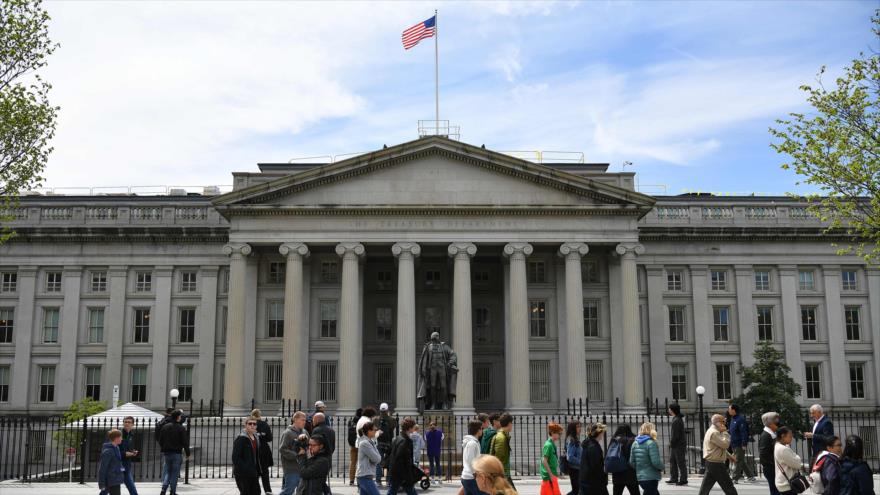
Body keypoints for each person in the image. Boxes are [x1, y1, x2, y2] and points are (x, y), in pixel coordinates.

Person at [697, 414, 737, 495]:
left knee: (705, 487)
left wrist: (729, 456)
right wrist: (725, 432)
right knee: (728, 486)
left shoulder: (714, 431)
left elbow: (719, 448)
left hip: (712, 462)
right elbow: (725, 444)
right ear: (718, 422)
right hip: (716, 464)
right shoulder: (714, 432)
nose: (725, 423)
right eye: (723, 422)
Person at [158, 410, 190, 495]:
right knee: (175, 473)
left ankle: (164, 488)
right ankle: (172, 491)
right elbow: (185, 442)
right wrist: (188, 453)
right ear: (178, 417)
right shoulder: (181, 428)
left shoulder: (165, 427)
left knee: (168, 471)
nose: (181, 417)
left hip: (167, 453)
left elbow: (160, 440)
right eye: (180, 416)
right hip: (177, 453)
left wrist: (164, 448)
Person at [387, 418, 420, 495]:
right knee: (408, 491)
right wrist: (406, 475)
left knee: (393, 490)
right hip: (402, 474)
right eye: (413, 427)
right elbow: (400, 459)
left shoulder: (398, 438)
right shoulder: (404, 441)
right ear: (409, 428)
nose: (414, 429)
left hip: (397, 473)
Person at [630, 422, 664, 495]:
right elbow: (656, 462)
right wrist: (662, 467)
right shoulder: (651, 443)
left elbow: (631, 462)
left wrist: (639, 468)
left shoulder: (635, 443)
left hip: (640, 477)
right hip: (651, 477)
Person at [279, 411, 309, 495]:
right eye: (302, 420)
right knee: (288, 491)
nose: (304, 422)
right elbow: (282, 449)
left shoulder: (305, 432)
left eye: (305, 420)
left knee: (302, 491)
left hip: (303, 468)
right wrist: (297, 454)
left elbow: (309, 446)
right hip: (291, 468)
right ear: (295, 419)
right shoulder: (287, 433)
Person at [232, 418, 263, 495]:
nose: (252, 425)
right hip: (243, 473)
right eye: (250, 424)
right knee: (246, 492)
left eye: (254, 424)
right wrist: (246, 468)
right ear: (245, 425)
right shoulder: (241, 439)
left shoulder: (256, 438)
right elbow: (235, 457)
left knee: (257, 492)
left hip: (253, 472)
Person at [728, 404, 757, 483]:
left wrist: (744, 443)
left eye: (729, 409)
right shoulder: (732, 419)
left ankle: (734, 478)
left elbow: (744, 432)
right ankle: (751, 476)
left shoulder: (740, 419)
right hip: (733, 443)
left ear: (734, 410)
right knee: (741, 460)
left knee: (737, 460)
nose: (728, 410)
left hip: (739, 444)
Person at [579, 422, 608, 495]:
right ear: (599, 433)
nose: (603, 434)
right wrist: (603, 479)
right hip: (594, 482)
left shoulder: (588, 443)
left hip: (586, 480)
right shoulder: (594, 447)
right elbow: (596, 466)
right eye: (602, 432)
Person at [610, 425, 639, 495]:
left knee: (617, 492)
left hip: (618, 472)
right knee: (635, 492)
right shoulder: (633, 440)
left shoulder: (615, 440)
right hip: (631, 473)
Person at [251, 409, 275, 494]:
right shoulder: (264, 424)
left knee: (254, 473)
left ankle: (255, 491)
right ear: (260, 415)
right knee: (265, 473)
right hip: (264, 450)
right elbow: (269, 438)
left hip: (253, 450)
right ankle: (268, 491)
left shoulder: (250, 424)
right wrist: (262, 435)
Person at [774, 427, 803, 495]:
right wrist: (797, 457)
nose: (791, 438)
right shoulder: (783, 449)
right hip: (787, 484)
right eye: (790, 436)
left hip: (784, 482)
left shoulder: (779, 446)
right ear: (783, 436)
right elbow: (798, 464)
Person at [357, 422, 383, 495]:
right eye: (374, 430)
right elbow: (377, 459)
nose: (376, 431)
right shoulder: (365, 443)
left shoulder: (370, 441)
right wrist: (376, 459)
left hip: (365, 476)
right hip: (365, 477)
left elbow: (377, 458)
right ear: (369, 431)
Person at [490, 413, 515, 489]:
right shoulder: (501, 438)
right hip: (502, 474)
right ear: (509, 423)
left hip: (503, 474)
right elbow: (498, 458)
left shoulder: (502, 435)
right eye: (512, 423)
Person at [759, 412, 781, 495]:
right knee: (775, 491)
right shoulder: (766, 435)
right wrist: (774, 463)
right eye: (776, 422)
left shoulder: (772, 434)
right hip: (770, 468)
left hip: (773, 466)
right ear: (770, 423)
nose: (778, 424)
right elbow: (764, 454)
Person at [376, 403, 397, 486]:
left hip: (379, 442)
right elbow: (394, 427)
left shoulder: (376, 419)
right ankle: (389, 480)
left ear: (380, 410)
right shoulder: (392, 419)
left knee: (378, 462)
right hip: (389, 442)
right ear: (387, 410)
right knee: (389, 462)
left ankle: (378, 480)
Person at [99, 429, 125, 495]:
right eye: (121, 437)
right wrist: (102, 484)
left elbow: (117, 462)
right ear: (116, 438)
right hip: (111, 480)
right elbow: (103, 468)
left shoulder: (117, 448)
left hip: (116, 478)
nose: (122, 439)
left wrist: (121, 469)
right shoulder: (108, 451)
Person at [461, 420, 484, 495]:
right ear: (478, 430)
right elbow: (470, 460)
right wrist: (475, 474)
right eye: (481, 428)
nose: (482, 431)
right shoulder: (472, 443)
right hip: (471, 478)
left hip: (468, 477)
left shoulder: (474, 442)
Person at [666, 404, 687, 486]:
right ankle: (674, 478)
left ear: (672, 410)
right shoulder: (676, 419)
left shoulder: (677, 420)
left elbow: (676, 435)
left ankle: (683, 479)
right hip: (676, 445)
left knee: (680, 462)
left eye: (669, 409)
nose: (668, 410)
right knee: (673, 461)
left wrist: (672, 443)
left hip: (678, 445)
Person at [541, 422, 563, 491]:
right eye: (559, 434)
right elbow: (544, 461)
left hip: (552, 475)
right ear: (553, 433)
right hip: (549, 477)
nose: (560, 436)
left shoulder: (552, 444)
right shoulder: (548, 445)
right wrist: (551, 475)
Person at [120, 416, 140, 495]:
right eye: (125, 422)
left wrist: (133, 452)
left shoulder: (131, 435)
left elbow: (129, 448)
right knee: (109, 487)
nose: (127, 423)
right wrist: (125, 453)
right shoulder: (119, 434)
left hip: (126, 465)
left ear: (133, 425)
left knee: (131, 487)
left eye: (129, 422)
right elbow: (113, 451)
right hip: (117, 465)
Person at [564, 421, 582, 495]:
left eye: (580, 426)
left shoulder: (575, 439)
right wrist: (581, 462)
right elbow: (570, 457)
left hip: (577, 469)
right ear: (573, 428)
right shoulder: (572, 440)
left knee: (577, 490)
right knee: (576, 491)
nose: (580, 428)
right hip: (574, 469)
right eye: (577, 427)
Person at [349, 408, 364, 486]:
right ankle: (359, 480)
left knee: (352, 462)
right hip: (360, 444)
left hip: (352, 444)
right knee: (360, 462)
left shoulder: (351, 421)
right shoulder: (362, 422)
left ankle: (351, 480)